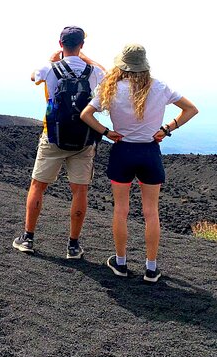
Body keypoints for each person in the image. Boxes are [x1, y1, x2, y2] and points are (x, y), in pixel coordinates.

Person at [80, 43, 198, 282]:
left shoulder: (110, 88)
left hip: (122, 151)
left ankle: (121, 263)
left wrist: (106, 132)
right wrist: (167, 129)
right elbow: (191, 109)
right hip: (149, 152)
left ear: (122, 65)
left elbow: (86, 115)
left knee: (121, 210)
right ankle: (151, 268)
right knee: (151, 212)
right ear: (144, 65)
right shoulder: (160, 87)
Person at [12, 26, 106, 259]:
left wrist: (53, 59)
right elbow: (107, 73)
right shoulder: (93, 71)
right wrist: (83, 57)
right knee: (79, 190)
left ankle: (28, 238)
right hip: (84, 141)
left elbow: (34, 76)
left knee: (38, 186)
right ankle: (73, 245)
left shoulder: (50, 68)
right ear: (82, 45)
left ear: (60, 43)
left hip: (53, 137)